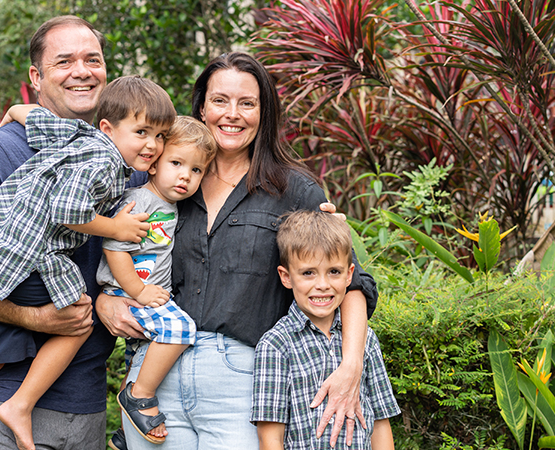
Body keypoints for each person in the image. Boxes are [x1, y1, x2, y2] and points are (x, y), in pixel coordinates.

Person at [96, 52, 379, 450]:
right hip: (152, 378)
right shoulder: (163, 178)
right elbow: (104, 243)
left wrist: (351, 366)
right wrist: (104, 301)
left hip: (242, 380)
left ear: (264, 113)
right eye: (219, 101)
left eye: (247, 103)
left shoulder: (294, 191)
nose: (232, 114)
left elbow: (350, 283)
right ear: (201, 107)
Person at [0, 15, 147, 450]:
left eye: (92, 59)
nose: (82, 70)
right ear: (36, 76)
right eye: (64, 61)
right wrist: (31, 317)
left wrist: (315, 213)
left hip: (85, 406)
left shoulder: (126, 162)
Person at [93, 116, 216, 447]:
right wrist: (138, 290)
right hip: (129, 291)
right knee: (180, 329)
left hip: (144, 292)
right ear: (153, 164)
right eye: (176, 163)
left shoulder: (172, 205)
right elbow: (114, 247)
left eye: (196, 170)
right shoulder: (140, 201)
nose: (184, 176)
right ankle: (139, 395)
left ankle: (125, 430)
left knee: (139, 356)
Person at [252, 210, 400, 449]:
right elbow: (270, 438)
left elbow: (381, 423)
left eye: (334, 272)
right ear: (286, 276)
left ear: (350, 274)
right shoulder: (275, 345)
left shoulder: (366, 339)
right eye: (308, 273)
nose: (322, 285)